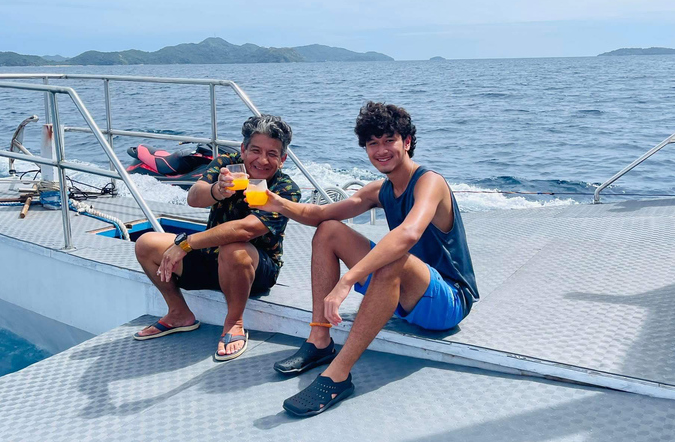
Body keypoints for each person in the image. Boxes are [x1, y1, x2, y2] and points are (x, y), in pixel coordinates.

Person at [250, 102, 479, 416]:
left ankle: (338, 374)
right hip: (406, 295)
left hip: (448, 303)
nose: (381, 150)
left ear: (407, 142)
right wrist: (274, 201)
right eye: (373, 143)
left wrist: (348, 279)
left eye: (389, 141)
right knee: (329, 230)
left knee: (394, 256)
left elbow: (409, 234)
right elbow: (318, 213)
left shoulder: (430, 182)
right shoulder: (380, 190)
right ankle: (319, 340)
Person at [133, 114, 301, 361]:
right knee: (146, 244)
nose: (262, 160)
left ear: (283, 159)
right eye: (255, 150)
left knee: (234, 248)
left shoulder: (286, 190)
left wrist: (186, 244)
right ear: (243, 150)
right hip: (212, 258)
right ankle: (179, 313)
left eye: (272, 154)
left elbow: (245, 230)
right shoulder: (228, 165)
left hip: (254, 269)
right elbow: (194, 197)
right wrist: (217, 190)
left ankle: (234, 322)